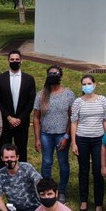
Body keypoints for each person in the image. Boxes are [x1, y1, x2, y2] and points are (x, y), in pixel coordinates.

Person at [33, 65, 76, 201]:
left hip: (62, 134)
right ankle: (46, 189)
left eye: (55, 73)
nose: (53, 75)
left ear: (60, 75)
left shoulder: (69, 94)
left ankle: (61, 191)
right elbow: (36, 117)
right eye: (50, 73)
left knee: (63, 163)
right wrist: (37, 138)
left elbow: (72, 117)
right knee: (46, 162)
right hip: (46, 134)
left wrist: (67, 136)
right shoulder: (41, 95)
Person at [70, 74, 106, 211]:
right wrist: (74, 142)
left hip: (99, 139)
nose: (87, 86)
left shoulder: (102, 100)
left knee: (98, 171)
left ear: (95, 84)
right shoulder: (78, 102)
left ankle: (98, 203)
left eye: (89, 83)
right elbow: (74, 122)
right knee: (84, 171)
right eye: (84, 84)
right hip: (82, 139)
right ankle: (84, 201)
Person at [0, 49, 37, 162]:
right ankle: (4, 176)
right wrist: (9, 117)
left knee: (22, 151)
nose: (14, 61)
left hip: (22, 123)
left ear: (21, 61)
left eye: (17, 59)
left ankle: (22, 176)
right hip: (5, 122)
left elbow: (31, 102)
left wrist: (20, 119)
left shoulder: (29, 79)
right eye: (12, 59)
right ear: (8, 60)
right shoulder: (0, 78)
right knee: (4, 151)